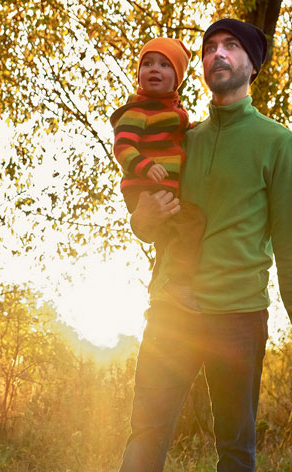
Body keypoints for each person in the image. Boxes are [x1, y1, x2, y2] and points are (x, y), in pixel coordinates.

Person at [59, 18, 292, 472]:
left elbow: (291, 237)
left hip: (237, 312)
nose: (218, 54)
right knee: (148, 426)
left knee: (235, 437)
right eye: (210, 48)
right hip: (172, 308)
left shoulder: (276, 143)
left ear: (252, 64)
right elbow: (154, 221)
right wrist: (142, 220)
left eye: (231, 46)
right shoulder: (182, 137)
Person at [110, 38, 206, 310]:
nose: (155, 69)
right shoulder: (137, 110)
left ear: (177, 79)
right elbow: (123, 146)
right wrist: (146, 166)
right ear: (139, 72)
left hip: (158, 186)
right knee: (190, 222)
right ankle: (176, 283)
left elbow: (180, 133)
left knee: (171, 236)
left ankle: (164, 287)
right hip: (143, 187)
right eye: (148, 63)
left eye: (165, 65)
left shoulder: (173, 111)